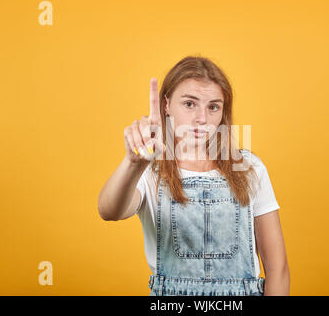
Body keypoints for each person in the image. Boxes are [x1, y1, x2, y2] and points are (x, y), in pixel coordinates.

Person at [98, 56, 290, 296]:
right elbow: (109, 211)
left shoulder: (249, 168)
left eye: (213, 106)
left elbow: (277, 269)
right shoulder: (150, 170)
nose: (202, 118)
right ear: (166, 104)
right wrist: (133, 163)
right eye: (190, 104)